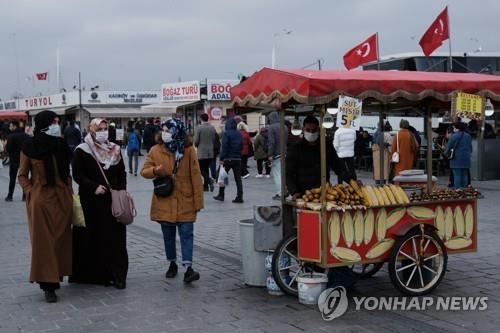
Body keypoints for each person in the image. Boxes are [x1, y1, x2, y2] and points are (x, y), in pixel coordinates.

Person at [17, 110, 73, 303]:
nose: (57, 124)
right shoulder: (29, 147)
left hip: (62, 198)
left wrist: (69, 190)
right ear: (43, 124)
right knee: (44, 243)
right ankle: (48, 285)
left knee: (59, 240)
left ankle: (56, 276)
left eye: (58, 121)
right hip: (41, 200)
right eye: (54, 122)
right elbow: (22, 175)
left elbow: (67, 172)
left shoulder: (60, 144)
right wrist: (32, 191)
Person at [141, 119, 203, 283]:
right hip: (165, 199)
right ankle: (172, 263)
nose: (164, 133)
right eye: (163, 130)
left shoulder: (188, 150)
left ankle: (188, 268)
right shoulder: (155, 150)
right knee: (168, 235)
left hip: (185, 198)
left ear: (177, 130)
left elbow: (196, 176)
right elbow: (144, 171)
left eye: (168, 129)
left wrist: (198, 201)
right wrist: (155, 170)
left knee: (187, 234)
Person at [71, 118, 128, 289]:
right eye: (100, 128)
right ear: (92, 130)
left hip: (113, 202)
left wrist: (122, 191)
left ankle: (118, 275)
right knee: (95, 236)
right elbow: (78, 175)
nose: (103, 131)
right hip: (92, 201)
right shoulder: (82, 150)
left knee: (116, 238)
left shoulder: (115, 150)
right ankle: (96, 274)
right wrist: (93, 186)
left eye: (105, 128)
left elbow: (122, 173)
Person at [286, 115, 342, 197]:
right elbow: (288, 173)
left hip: (324, 191)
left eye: (314, 130)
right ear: (303, 130)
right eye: (308, 130)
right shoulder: (295, 148)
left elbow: (338, 166)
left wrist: (351, 179)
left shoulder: (326, 145)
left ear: (319, 130)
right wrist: (294, 191)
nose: (311, 133)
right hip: (303, 193)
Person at [213, 117, 244, 203]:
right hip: (237, 158)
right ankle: (240, 196)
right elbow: (242, 145)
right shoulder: (239, 134)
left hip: (228, 158)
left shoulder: (226, 134)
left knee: (222, 176)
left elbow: (225, 147)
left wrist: (222, 158)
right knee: (238, 178)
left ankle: (221, 195)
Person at [5, 121, 29, 201]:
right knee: (24, 177)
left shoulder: (11, 136)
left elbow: (8, 149)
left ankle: (10, 196)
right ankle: (25, 196)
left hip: (14, 160)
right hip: (24, 159)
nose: (9, 127)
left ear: (14, 126)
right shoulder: (26, 136)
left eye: (10, 126)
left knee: (12, 178)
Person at [445, 122, 472, 189]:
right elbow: (470, 147)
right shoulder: (468, 136)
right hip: (466, 157)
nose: (453, 129)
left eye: (454, 128)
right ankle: (464, 189)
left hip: (456, 158)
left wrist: (445, 153)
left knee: (457, 174)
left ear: (458, 128)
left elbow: (448, 147)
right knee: (464, 174)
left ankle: (458, 189)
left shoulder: (454, 136)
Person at [194, 113, 216, 191]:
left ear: (201, 119)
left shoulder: (199, 128)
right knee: (206, 168)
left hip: (202, 151)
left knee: (201, 169)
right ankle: (205, 186)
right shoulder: (212, 127)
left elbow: (196, 141)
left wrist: (196, 145)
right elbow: (214, 139)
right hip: (210, 151)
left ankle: (209, 180)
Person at [267, 111, 286, 200]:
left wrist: (270, 154)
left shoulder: (271, 128)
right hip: (285, 153)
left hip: (276, 154)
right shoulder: (284, 126)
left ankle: (280, 193)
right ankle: (285, 191)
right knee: (283, 173)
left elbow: (271, 142)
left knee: (277, 174)